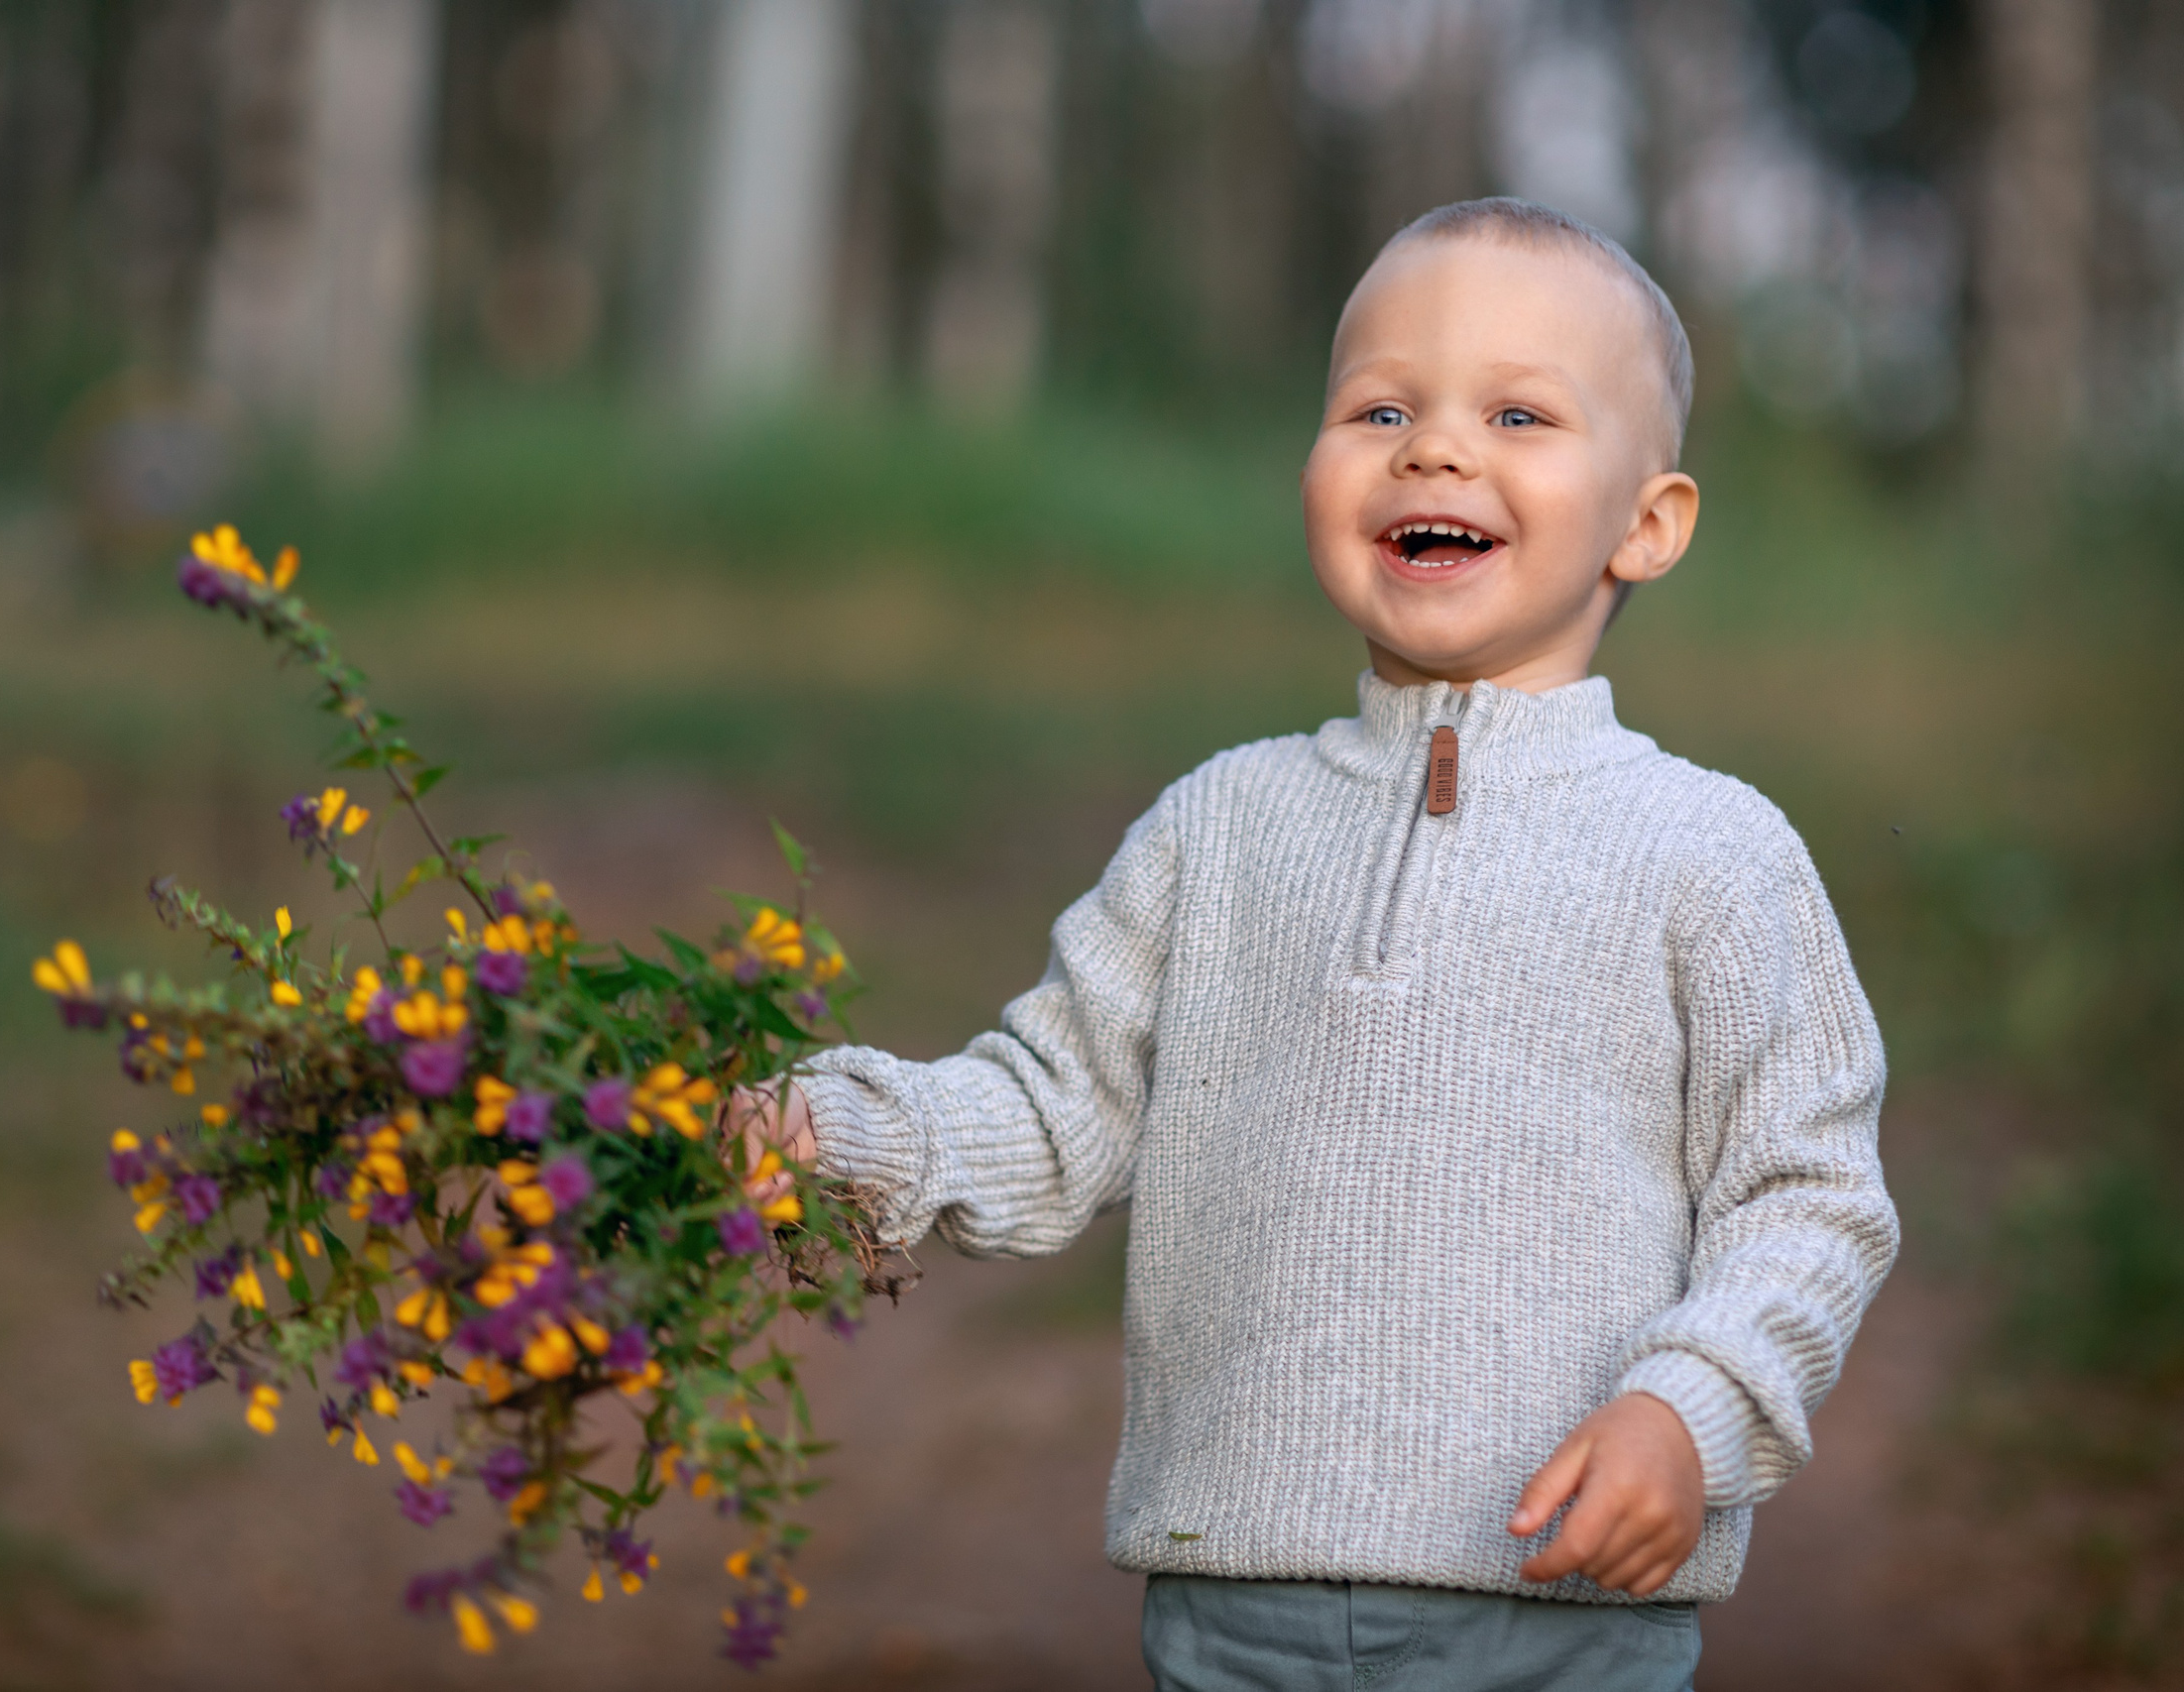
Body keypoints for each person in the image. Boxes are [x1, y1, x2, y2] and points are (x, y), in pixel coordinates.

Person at [738, 197, 1899, 1691]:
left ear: (1648, 523)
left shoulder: (1711, 849)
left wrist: (1693, 1409)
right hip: (1235, 1607)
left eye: (1519, 415)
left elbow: (1806, 1195)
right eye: (1380, 410)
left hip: (1563, 1618)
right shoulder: (1217, 826)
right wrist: (835, 1136)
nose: (1435, 450)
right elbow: (1053, 1106)